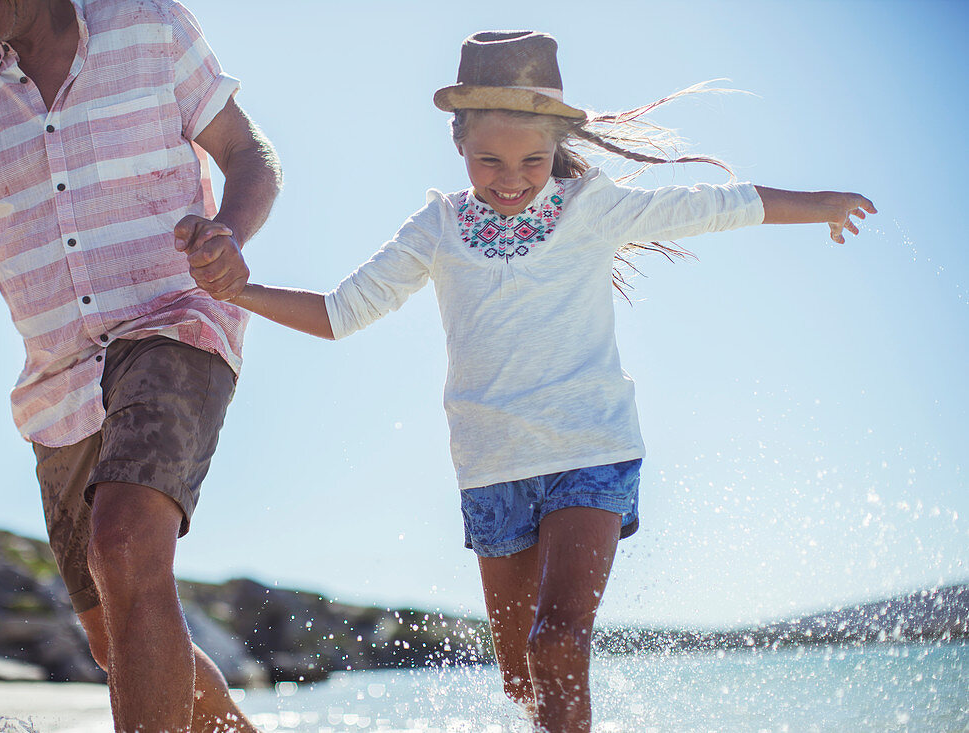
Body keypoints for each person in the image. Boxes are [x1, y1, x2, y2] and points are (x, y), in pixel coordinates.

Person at [188, 31, 876, 733]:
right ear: (458, 143)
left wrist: (820, 203)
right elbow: (341, 313)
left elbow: (711, 205)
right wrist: (240, 289)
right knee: (523, 679)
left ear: (556, 150)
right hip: (492, 470)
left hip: (590, 451)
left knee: (559, 644)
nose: (510, 177)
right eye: (489, 159)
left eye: (532, 160)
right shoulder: (438, 227)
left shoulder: (591, 208)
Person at [0, 1, 280, 730]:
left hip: (173, 321)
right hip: (56, 380)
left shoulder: (149, 21)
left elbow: (248, 152)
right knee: (108, 625)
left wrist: (229, 231)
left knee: (123, 544)